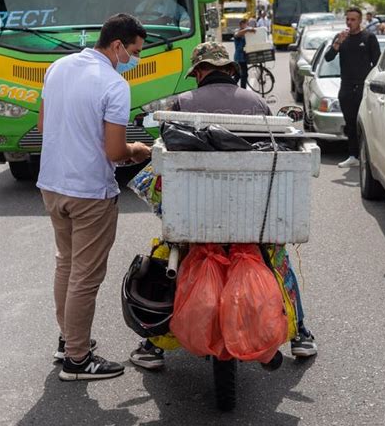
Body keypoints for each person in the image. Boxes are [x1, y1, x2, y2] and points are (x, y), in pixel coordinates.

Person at [130, 41, 318, 370]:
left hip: (194, 216)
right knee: (278, 260)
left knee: (169, 255)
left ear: (199, 72)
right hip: (252, 215)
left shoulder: (180, 103)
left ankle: (152, 345)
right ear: (230, 70)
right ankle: (300, 333)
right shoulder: (258, 102)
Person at [37, 13, 152, 381]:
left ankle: (67, 340)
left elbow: (42, 125)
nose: (134, 59)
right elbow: (116, 152)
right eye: (134, 51)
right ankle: (77, 359)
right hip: (89, 193)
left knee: (66, 265)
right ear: (117, 45)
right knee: (84, 277)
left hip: (52, 186)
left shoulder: (58, 67)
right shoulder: (114, 84)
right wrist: (140, 149)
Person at [325, 7, 381, 168]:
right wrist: (337, 43)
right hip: (346, 86)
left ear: (360, 20)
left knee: (364, 122)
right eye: (347, 19)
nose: (349, 23)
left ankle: (369, 156)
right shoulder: (340, 38)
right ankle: (353, 155)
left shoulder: (369, 37)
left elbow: (377, 63)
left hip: (364, 87)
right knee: (350, 123)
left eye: (353, 19)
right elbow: (328, 58)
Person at [233, 18, 256, 88]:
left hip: (244, 57)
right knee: (243, 75)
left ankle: (231, 87)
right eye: (246, 24)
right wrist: (248, 29)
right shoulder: (238, 31)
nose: (247, 25)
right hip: (239, 57)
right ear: (241, 24)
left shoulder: (246, 33)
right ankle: (243, 89)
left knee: (239, 75)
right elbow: (237, 35)